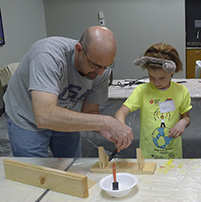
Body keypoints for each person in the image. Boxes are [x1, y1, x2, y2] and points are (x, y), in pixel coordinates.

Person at [4, 26, 133, 158]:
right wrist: (107, 122)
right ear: (78, 50)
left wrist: (106, 130)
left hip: (62, 112)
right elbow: (44, 116)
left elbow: (89, 112)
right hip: (27, 117)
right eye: (95, 65)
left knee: (73, 165)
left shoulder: (102, 70)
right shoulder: (48, 56)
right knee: (35, 172)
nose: (100, 73)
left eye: (106, 66)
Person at [115, 43, 192, 159]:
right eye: (151, 77)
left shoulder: (181, 91)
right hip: (147, 156)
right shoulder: (142, 91)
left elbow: (186, 117)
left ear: (172, 73)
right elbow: (121, 112)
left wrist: (183, 122)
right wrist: (121, 128)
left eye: (162, 78)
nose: (156, 83)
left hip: (173, 155)